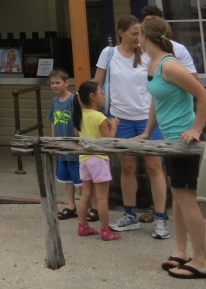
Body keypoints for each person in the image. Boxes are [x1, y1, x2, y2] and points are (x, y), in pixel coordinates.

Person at [137, 17, 206, 280]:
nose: (136, 38)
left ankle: (202, 259)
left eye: (139, 33)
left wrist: (196, 129)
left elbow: (204, 96)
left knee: (186, 198)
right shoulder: (153, 64)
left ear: (145, 37)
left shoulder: (170, 65)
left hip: (184, 142)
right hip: (169, 139)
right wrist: (147, 132)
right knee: (178, 197)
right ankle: (181, 251)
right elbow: (156, 100)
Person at [94, 15, 170, 238]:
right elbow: (96, 82)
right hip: (120, 118)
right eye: (133, 33)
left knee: (154, 167)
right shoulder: (108, 54)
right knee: (127, 168)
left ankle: (160, 218)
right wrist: (89, 110)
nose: (138, 38)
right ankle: (130, 215)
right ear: (121, 32)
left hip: (149, 118)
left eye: (141, 34)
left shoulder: (148, 54)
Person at [73, 81, 120, 241]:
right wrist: (113, 126)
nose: (104, 96)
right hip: (99, 159)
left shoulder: (80, 115)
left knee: (86, 194)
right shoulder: (100, 117)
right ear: (92, 96)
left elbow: (78, 135)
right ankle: (105, 230)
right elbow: (108, 141)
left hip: (84, 159)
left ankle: (82, 225)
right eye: (101, 93)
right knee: (101, 198)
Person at [46, 70, 81, 220]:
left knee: (81, 179)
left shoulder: (74, 100)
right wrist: (53, 140)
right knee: (67, 179)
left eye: (58, 82)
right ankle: (71, 205)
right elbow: (53, 121)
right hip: (61, 147)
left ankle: (91, 206)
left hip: (74, 146)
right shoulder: (54, 102)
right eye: (52, 83)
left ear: (66, 83)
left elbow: (80, 120)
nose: (55, 85)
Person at [140, 5, 198, 75]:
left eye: (154, 22)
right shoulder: (136, 50)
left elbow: (192, 76)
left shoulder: (178, 49)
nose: (151, 25)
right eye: (148, 22)